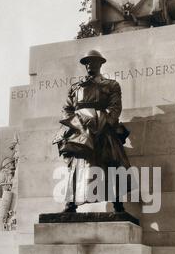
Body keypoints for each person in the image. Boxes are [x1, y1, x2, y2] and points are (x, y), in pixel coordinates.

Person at [53, 49, 131, 212]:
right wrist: (79, 125)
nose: (90, 65)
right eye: (87, 62)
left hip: (104, 129)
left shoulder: (111, 85)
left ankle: (118, 204)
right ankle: (70, 204)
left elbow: (115, 109)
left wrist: (100, 122)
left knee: (113, 163)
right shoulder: (75, 88)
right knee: (76, 166)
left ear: (101, 64)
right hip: (80, 131)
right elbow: (66, 110)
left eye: (94, 61)